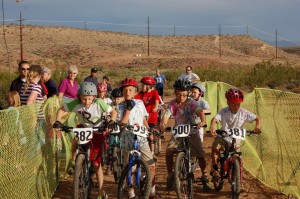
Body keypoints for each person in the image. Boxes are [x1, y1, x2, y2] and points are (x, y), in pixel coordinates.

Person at [55, 82, 117, 199]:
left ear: (94, 97)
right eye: (84, 99)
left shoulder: (99, 103)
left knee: (95, 162)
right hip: (83, 128)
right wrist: (58, 121)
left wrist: (112, 121)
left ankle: (100, 191)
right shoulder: (76, 103)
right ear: (79, 97)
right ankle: (76, 162)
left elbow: (114, 111)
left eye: (89, 99)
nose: (86, 102)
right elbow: (61, 110)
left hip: (97, 130)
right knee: (75, 141)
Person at [160, 79, 210, 191]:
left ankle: (204, 175)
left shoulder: (192, 102)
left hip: (192, 131)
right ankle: (170, 175)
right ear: (175, 92)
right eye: (178, 94)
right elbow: (167, 115)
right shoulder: (172, 104)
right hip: (178, 132)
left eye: (184, 94)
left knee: (200, 153)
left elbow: (199, 111)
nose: (181, 97)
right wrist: (163, 124)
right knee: (169, 151)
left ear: (188, 93)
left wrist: (202, 121)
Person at [118, 78, 159, 199]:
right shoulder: (119, 106)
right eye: (125, 90)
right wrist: (128, 109)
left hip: (141, 136)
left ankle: (151, 192)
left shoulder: (140, 103)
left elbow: (144, 120)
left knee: (151, 165)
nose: (127, 92)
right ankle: (131, 194)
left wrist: (149, 131)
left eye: (130, 90)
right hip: (127, 138)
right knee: (130, 167)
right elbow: (122, 124)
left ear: (135, 92)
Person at [209, 88, 261, 176]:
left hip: (236, 137)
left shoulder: (243, 112)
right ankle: (214, 169)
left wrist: (257, 127)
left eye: (238, 104)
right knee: (215, 148)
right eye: (233, 104)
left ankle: (239, 180)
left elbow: (257, 118)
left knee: (238, 157)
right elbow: (215, 119)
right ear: (228, 103)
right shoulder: (224, 111)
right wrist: (212, 126)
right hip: (223, 136)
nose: (236, 107)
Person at [135, 76, 160, 154]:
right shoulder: (140, 94)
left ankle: (152, 151)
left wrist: (156, 107)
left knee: (150, 134)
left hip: (152, 117)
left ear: (149, 86)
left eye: (144, 85)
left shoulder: (154, 92)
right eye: (142, 85)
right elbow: (135, 100)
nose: (142, 87)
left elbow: (156, 100)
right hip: (143, 118)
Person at [106, 87, 124, 175]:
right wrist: (108, 118)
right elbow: (107, 115)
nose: (116, 100)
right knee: (110, 145)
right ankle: (109, 164)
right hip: (113, 128)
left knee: (124, 145)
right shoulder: (110, 106)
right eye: (115, 99)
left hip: (122, 127)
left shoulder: (124, 106)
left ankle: (124, 161)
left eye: (118, 99)